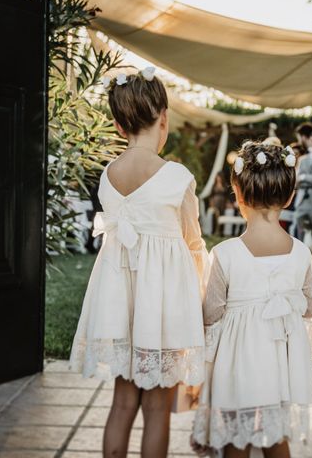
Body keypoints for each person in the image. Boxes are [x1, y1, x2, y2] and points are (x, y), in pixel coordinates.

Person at [69, 68, 208, 457]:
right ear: (164, 117)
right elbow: (192, 241)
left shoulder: (109, 175)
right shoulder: (176, 176)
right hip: (161, 307)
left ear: (117, 124)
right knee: (157, 407)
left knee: (122, 403)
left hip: (119, 303)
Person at [192, 141, 312, 458]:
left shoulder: (224, 254)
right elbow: (310, 307)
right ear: (290, 196)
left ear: (237, 194)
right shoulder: (301, 253)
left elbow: (211, 313)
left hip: (237, 368)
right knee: (277, 439)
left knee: (236, 439)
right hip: (281, 368)